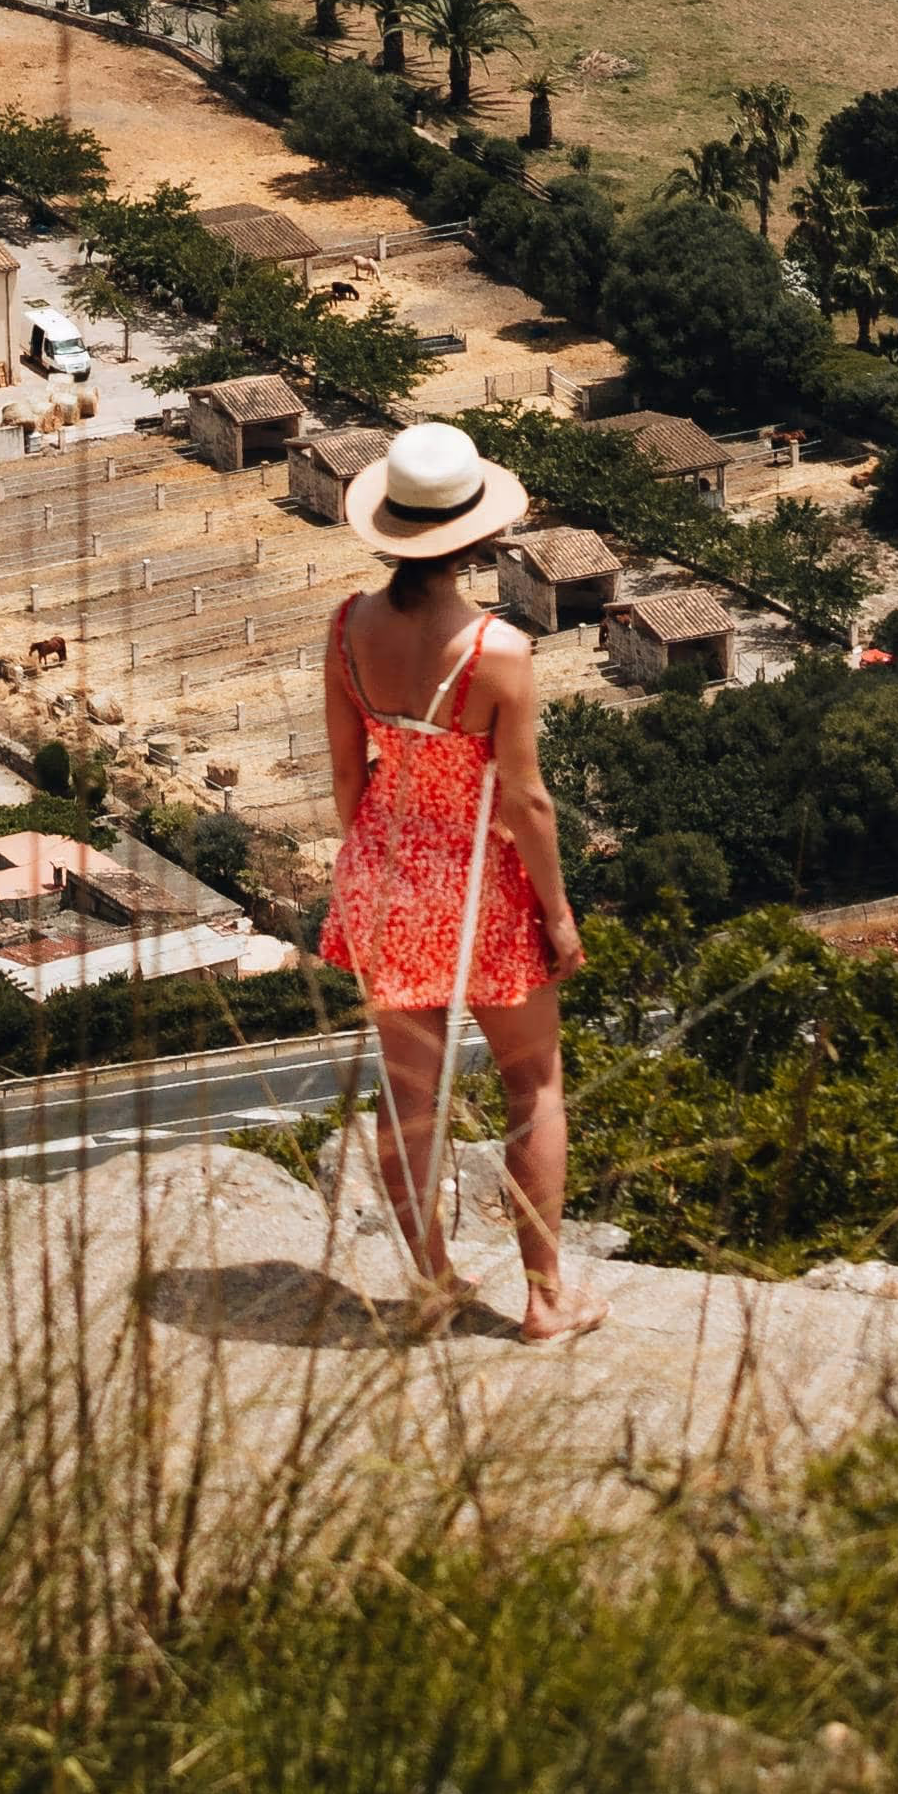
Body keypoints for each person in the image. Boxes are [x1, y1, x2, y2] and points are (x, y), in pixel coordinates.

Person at [317, 415, 600, 1341]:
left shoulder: (346, 627)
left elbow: (347, 778)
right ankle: (546, 1297)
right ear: (479, 536)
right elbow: (527, 804)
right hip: (482, 887)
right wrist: (557, 913)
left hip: (384, 873)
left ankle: (434, 1285)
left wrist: (376, 872)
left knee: (408, 1099)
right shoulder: (498, 653)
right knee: (535, 1086)